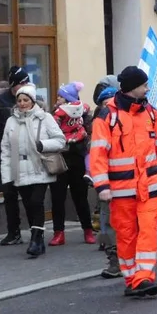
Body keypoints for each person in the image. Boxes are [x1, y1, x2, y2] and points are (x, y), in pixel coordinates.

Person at [89, 66, 157, 297]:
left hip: (151, 185)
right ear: (132, 87)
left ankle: (144, 276)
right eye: (144, 85)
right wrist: (102, 185)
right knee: (126, 235)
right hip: (120, 189)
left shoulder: (152, 114)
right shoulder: (107, 116)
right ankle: (132, 279)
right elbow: (98, 154)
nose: (147, 89)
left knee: (148, 231)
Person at [0, 83, 66, 258]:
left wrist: (42, 144)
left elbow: (60, 140)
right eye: (19, 100)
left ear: (32, 101)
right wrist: (6, 176)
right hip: (19, 169)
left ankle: (36, 240)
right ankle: (38, 238)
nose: (22, 103)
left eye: (25, 100)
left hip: (40, 167)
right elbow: (5, 150)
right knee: (29, 205)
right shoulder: (11, 121)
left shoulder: (44, 118)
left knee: (37, 202)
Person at [0, 65, 32, 246]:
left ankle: (36, 232)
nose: (24, 85)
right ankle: (14, 232)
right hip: (7, 156)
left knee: (30, 197)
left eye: (26, 82)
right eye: (21, 82)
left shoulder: (34, 100)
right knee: (10, 197)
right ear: (13, 84)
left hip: (28, 155)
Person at [49, 82, 96, 246]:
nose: (58, 99)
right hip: (59, 157)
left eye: (61, 96)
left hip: (77, 157)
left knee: (80, 196)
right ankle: (58, 233)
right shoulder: (54, 113)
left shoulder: (83, 112)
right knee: (57, 197)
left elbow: (90, 131)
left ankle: (88, 230)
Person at [91, 75, 121, 279]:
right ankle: (114, 260)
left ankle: (131, 259)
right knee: (107, 222)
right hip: (106, 182)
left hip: (128, 181)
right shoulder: (98, 121)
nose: (106, 106)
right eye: (104, 102)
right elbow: (95, 152)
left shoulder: (125, 118)